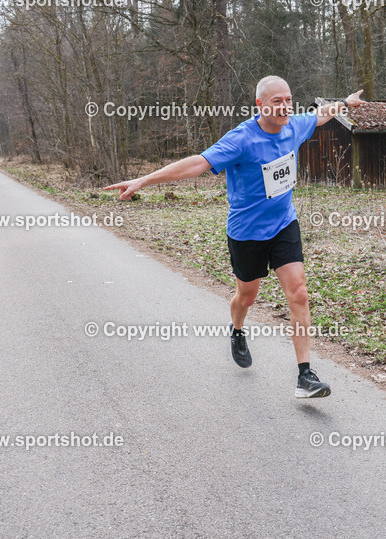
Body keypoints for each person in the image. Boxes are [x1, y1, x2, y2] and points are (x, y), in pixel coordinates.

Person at [104, 77, 365, 398]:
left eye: (288, 100)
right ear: (260, 105)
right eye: (277, 101)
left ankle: (305, 376)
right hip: (247, 233)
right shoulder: (241, 140)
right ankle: (237, 330)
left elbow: (321, 114)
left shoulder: (294, 126)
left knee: (298, 292)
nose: (285, 107)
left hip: (284, 224)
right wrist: (143, 180)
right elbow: (197, 164)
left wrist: (345, 103)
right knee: (247, 296)